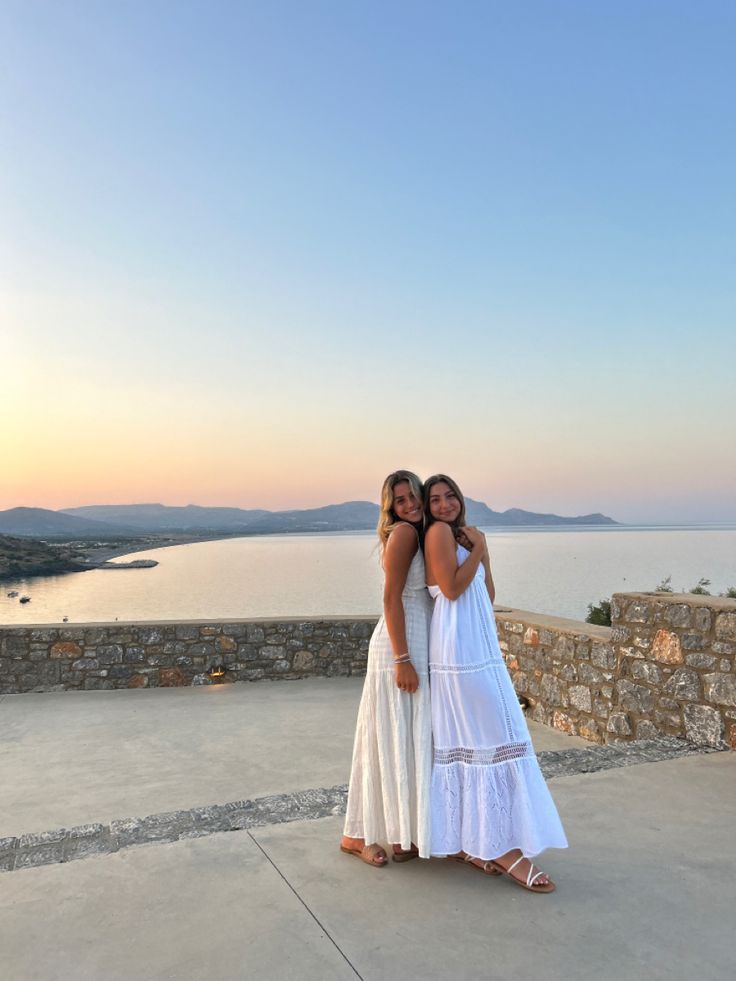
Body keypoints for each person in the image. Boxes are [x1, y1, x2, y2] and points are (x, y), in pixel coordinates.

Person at [423, 474, 567, 892]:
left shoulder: (464, 535)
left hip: (478, 645)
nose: (445, 504)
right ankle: (502, 850)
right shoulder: (437, 533)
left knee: (483, 738)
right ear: (429, 507)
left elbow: (485, 594)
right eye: (435, 499)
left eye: (450, 496)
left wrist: (482, 554)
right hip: (458, 651)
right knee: (489, 736)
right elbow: (450, 589)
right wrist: (481, 548)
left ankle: (477, 843)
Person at [341, 470, 433, 866]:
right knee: (388, 736)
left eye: (413, 496)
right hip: (400, 643)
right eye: (400, 500)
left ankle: (402, 835)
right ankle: (355, 836)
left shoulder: (423, 533)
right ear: (390, 508)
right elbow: (390, 598)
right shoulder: (404, 534)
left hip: (416, 637)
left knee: (405, 737)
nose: (410, 504)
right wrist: (402, 659)